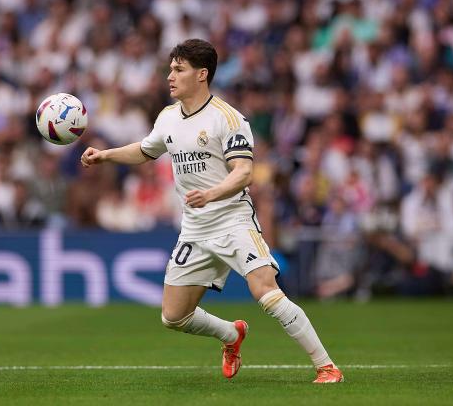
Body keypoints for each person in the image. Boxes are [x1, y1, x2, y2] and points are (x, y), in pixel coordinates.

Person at [81, 39, 343, 383]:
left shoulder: (228, 118)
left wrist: (213, 193)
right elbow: (146, 150)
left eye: (179, 69)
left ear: (201, 74)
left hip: (233, 219)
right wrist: (106, 155)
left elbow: (244, 172)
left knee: (265, 290)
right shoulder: (168, 117)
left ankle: (327, 366)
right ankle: (232, 336)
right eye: (171, 69)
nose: (170, 76)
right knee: (173, 316)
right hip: (195, 228)